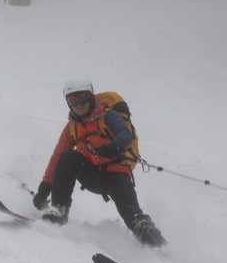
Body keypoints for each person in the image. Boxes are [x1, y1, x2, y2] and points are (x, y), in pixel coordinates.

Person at [32, 79, 166, 247]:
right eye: (73, 101)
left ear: (91, 97)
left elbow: (125, 133)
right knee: (67, 157)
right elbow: (57, 157)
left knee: (134, 218)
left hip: (116, 175)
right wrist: (44, 189)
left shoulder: (108, 115)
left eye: (82, 99)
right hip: (92, 175)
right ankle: (60, 210)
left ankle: (158, 248)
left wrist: (115, 146)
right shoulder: (72, 127)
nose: (78, 105)